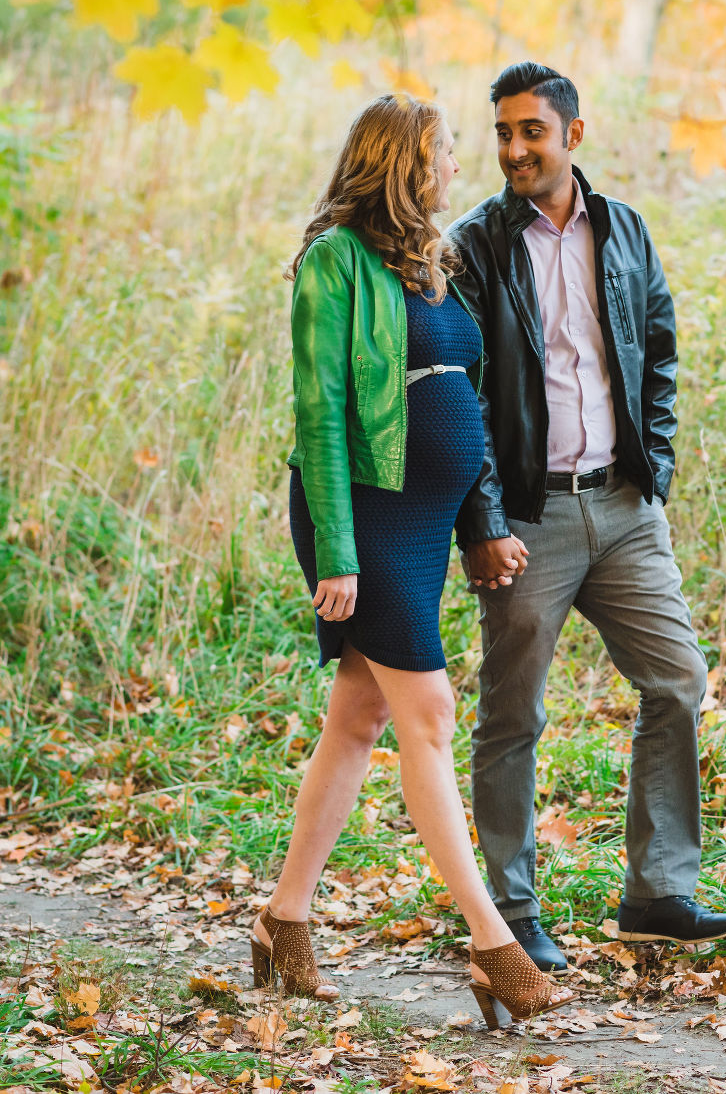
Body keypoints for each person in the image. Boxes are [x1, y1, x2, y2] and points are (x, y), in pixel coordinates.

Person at [251, 94, 573, 1028]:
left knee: (356, 721)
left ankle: (283, 924)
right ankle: (490, 942)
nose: (456, 168)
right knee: (426, 714)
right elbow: (318, 413)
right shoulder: (332, 260)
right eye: (443, 153)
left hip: (429, 519)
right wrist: (339, 555)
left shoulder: (434, 261)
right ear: (401, 160)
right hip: (363, 517)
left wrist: (480, 522)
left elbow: (458, 399)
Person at [450, 62, 726, 972]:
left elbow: (657, 346)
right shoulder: (475, 246)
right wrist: (486, 521)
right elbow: (461, 396)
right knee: (514, 715)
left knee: (677, 680)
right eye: (502, 133)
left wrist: (652, 462)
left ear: (573, 135)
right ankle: (508, 910)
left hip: (622, 508)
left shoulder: (623, 229)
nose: (513, 150)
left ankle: (658, 893)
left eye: (531, 132)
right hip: (527, 522)